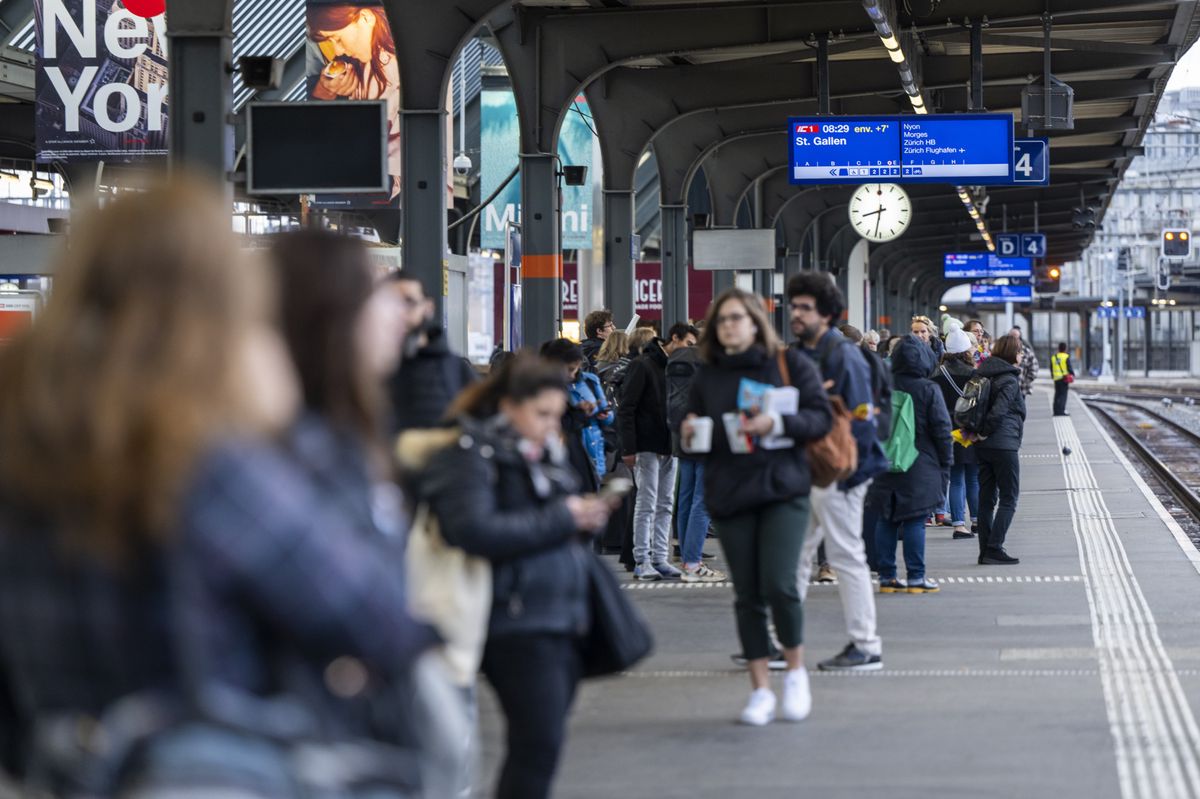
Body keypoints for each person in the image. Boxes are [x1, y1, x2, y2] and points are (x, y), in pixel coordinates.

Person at [0, 181, 437, 795]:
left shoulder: (22, 453)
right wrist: (294, 429)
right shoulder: (200, 462)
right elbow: (374, 614)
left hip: (70, 774)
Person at [269, 230, 467, 796]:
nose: (395, 316)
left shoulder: (343, 435)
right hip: (322, 746)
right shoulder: (306, 449)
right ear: (330, 315)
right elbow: (354, 604)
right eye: (375, 294)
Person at [416, 354, 614, 799]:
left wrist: (582, 518)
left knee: (540, 746)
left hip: (557, 612)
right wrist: (564, 518)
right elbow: (473, 530)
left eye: (556, 415)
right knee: (537, 746)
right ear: (507, 404)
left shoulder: (542, 452)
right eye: (541, 414)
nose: (549, 425)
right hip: (514, 618)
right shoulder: (469, 453)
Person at [682, 289, 832, 725]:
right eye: (721, 319)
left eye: (736, 317)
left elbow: (820, 418)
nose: (728, 325)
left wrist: (778, 422)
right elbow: (690, 432)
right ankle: (760, 690)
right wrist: (689, 432)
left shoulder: (788, 364)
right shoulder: (707, 375)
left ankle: (796, 672)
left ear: (754, 323)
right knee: (746, 594)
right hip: (730, 492)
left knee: (781, 584)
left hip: (783, 488)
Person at [789, 274, 889, 671]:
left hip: (840, 472)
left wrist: (847, 474)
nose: (795, 314)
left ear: (827, 314)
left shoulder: (842, 356)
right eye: (793, 306)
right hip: (812, 471)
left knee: (847, 555)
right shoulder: (802, 354)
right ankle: (784, 642)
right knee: (795, 557)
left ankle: (866, 645)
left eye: (805, 308)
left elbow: (862, 417)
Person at [868, 335, 952, 594]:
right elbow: (941, 429)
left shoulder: (880, 387)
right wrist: (946, 461)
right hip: (920, 464)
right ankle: (916, 578)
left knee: (886, 520)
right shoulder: (928, 389)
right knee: (915, 520)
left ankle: (887, 578)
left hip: (883, 461)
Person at [619, 325, 696, 581]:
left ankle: (660, 558)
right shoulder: (643, 365)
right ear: (674, 338)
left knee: (665, 504)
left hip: (670, 446)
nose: (691, 350)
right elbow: (627, 408)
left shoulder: (679, 369)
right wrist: (629, 448)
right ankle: (642, 560)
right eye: (688, 343)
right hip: (646, 445)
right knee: (647, 504)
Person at [308, 6, 401, 199]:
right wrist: (325, 92)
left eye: (338, 39)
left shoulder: (393, 76)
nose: (337, 50)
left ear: (366, 18)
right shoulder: (362, 65)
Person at [664, 323, 722, 581]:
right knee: (703, 499)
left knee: (686, 497)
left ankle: (686, 556)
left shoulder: (677, 357)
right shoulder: (709, 361)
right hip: (706, 433)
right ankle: (693, 562)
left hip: (681, 432)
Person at [386, 272, 477, 433]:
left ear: (428, 307)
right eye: (391, 304)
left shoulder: (455, 370)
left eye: (409, 302)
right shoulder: (369, 371)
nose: (399, 312)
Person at [974, 334, 1028, 565]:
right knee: (1009, 497)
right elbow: (999, 411)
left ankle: (985, 550)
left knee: (986, 498)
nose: (1022, 354)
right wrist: (986, 430)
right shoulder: (1009, 379)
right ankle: (995, 548)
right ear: (1011, 353)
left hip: (983, 445)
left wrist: (980, 434)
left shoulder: (984, 372)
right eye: (1020, 350)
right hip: (1003, 444)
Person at [541, 338, 613, 490]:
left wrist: (597, 413)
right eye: (569, 369)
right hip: (564, 455)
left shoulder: (589, 381)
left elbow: (607, 415)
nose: (572, 375)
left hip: (588, 452)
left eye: (576, 369)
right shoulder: (543, 389)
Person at [933, 323, 981, 540]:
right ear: (965, 350)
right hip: (970, 431)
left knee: (956, 478)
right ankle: (978, 521)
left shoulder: (936, 373)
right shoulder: (975, 374)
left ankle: (959, 525)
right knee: (974, 478)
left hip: (947, 432)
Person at [1011, 326, 1039, 397]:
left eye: (1015, 337)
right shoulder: (1004, 351)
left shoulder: (1027, 351)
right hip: (1007, 389)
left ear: (1020, 338)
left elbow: (1034, 368)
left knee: (1020, 407)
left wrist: (1025, 382)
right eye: (1011, 337)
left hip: (1021, 389)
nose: (1013, 340)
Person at [1051, 341, 1074, 416]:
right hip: (1064, 379)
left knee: (1057, 395)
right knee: (1063, 395)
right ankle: (1061, 411)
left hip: (1056, 379)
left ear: (1058, 348)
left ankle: (1055, 411)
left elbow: (1051, 368)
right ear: (1065, 349)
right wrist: (1072, 374)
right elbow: (1069, 368)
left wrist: (1053, 376)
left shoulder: (1054, 357)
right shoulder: (1066, 357)